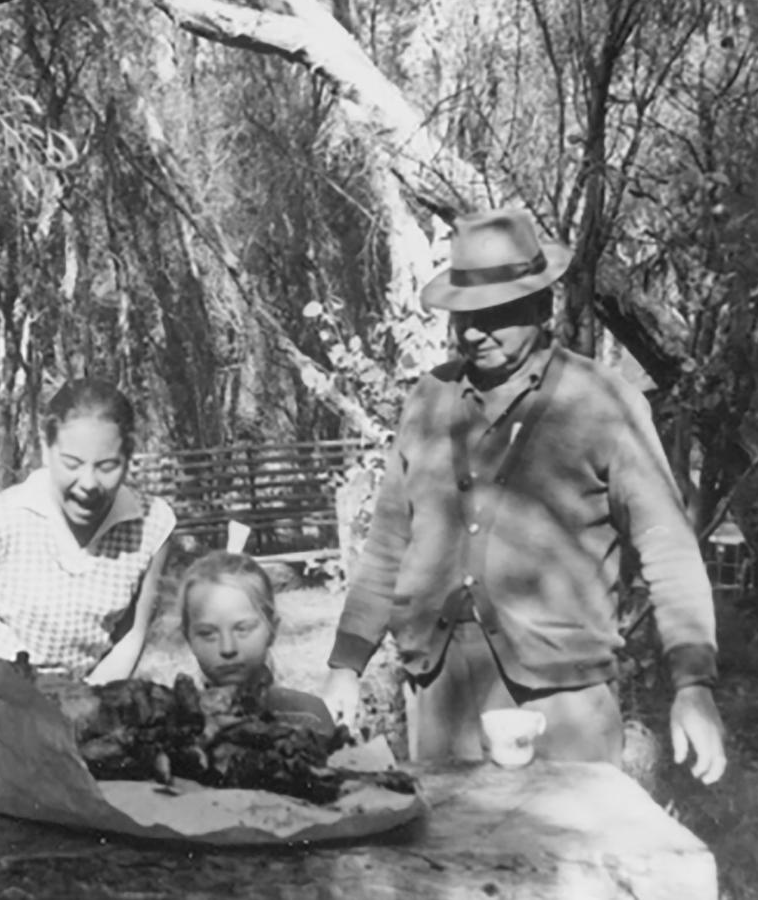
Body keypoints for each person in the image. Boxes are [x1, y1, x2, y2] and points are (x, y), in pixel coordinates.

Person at [320, 207, 727, 783]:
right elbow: (389, 543)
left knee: (571, 864)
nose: (476, 331)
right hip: (441, 691)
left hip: (562, 697)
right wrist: (346, 664)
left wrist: (693, 683)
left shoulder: (602, 402)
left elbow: (668, 549)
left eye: (497, 314)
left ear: (541, 309)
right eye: (465, 315)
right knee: (444, 856)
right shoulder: (428, 401)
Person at [0, 378, 175, 684]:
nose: (89, 483)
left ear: (129, 454)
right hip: (2, 702)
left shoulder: (151, 525)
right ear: (46, 448)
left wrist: (85, 704)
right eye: (72, 463)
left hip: (91, 703)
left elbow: (131, 636)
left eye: (107, 466)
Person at [179, 549, 333, 733]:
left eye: (243, 629)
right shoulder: (176, 727)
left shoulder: (307, 717)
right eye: (207, 633)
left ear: (272, 629)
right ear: (188, 637)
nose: (227, 648)